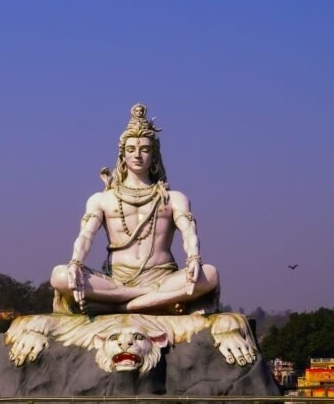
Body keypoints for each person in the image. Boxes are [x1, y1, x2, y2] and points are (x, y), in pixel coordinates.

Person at [50, 104, 220, 314]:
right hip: (117, 281)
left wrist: (194, 258)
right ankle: (152, 301)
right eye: (131, 149)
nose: (138, 155)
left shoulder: (174, 198)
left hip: (162, 279)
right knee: (59, 275)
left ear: (154, 155)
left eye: (145, 149)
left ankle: (121, 305)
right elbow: (86, 236)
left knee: (210, 274)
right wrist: (76, 262)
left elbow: (189, 233)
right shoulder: (102, 199)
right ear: (123, 155)